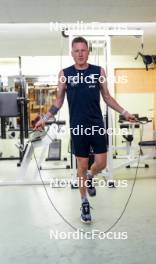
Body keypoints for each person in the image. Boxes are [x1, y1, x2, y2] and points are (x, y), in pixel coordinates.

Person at [34, 36, 137, 224]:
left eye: (83, 50)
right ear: (72, 53)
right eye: (77, 51)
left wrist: (125, 112)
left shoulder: (99, 71)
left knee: (101, 163)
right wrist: (44, 118)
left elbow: (107, 97)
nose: (80, 54)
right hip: (78, 126)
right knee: (81, 167)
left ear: (88, 52)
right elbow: (58, 101)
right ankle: (84, 203)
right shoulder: (65, 73)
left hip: (97, 125)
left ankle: (91, 175)